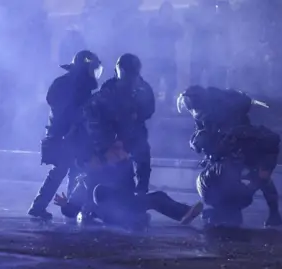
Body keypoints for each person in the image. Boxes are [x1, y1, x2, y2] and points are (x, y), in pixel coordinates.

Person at [177, 85, 282, 227]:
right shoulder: (205, 116)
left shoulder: (231, 119)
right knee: (221, 181)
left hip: (243, 151)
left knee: (258, 179)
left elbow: (269, 141)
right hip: (227, 157)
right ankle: (225, 211)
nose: (192, 109)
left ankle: (273, 214)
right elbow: (202, 135)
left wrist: (264, 170)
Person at [54, 141, 204, 230]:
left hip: (126, 203)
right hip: (107, 214)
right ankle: (132, 221)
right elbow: (72, 210)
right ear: (87, 164)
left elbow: (128, 188)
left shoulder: (113, 168)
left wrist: (124, 163)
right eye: (92, 160)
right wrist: (65, 205)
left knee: (157, 197)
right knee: (99, 192)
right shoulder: (85, 181)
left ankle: (184, 213)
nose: (96, 162)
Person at [28, 50, 104, 220]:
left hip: (60, 135)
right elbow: (76, 114)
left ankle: (50, 206)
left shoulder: (63, 83)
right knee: (71, 171)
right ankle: (64, 207)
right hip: (70, 137)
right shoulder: (79, 87)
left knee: (64, 172)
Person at [84, 53, 155, 196]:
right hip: (114, 134)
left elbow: (149, 109)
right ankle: (109, 195)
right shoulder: (110, 87)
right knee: (116, 167)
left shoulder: (142, 87)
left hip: (135, 132)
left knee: (143, 161)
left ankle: (140, 192)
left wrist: (135, 114)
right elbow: (98, 109)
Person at [147, 1, 183, 109]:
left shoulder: (175, 25)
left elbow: (180, 33)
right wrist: (164, 29)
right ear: (161, 12)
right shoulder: (153, 23)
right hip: (156, 57)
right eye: (166, 10)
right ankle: (153, 106)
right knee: (154, 83)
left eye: (169, 11)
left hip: (170, 58)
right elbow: (151, 33)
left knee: (171, 84)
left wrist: (167, 29)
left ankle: (168, 104)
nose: (168, 13)